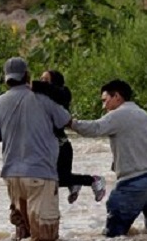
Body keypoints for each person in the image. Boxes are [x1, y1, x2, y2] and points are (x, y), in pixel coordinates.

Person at [69, 79, 147, 237]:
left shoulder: (118, 115)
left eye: (105, 100)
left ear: (117, 97)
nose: (104, 106)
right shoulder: (143, 114)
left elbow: (94, 128)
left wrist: (70, 123)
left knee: (113, 237)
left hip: (133, 183)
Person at [0, 57, 71, 241]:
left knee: (23, 237)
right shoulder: (43, 99)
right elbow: (65, 120)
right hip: (40, 175)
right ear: (27, 75)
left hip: (12, 176)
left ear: (6, 79)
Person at [32, 69, 106, 203]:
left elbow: (53, 91)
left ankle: (94, 180)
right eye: (40, 79)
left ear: (54, 82)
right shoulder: (42, 98)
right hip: (54, 146)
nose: (42, 83)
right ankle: (74, 183)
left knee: (56, 179)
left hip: (61, 147)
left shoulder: (61, 95)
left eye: (45, 80)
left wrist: (29, 84)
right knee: (50, 179)